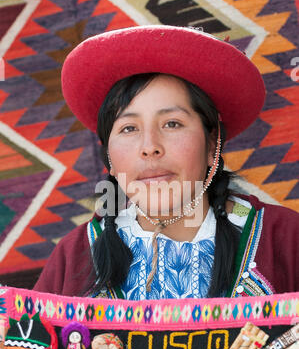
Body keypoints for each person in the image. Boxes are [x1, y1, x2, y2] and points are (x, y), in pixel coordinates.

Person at [33, 25, 299, 300]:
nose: (150, 147)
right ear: (109, 159)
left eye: (172, 124)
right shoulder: (75, 256)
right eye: (128, 128)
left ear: (212, 144)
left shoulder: (285, 239)